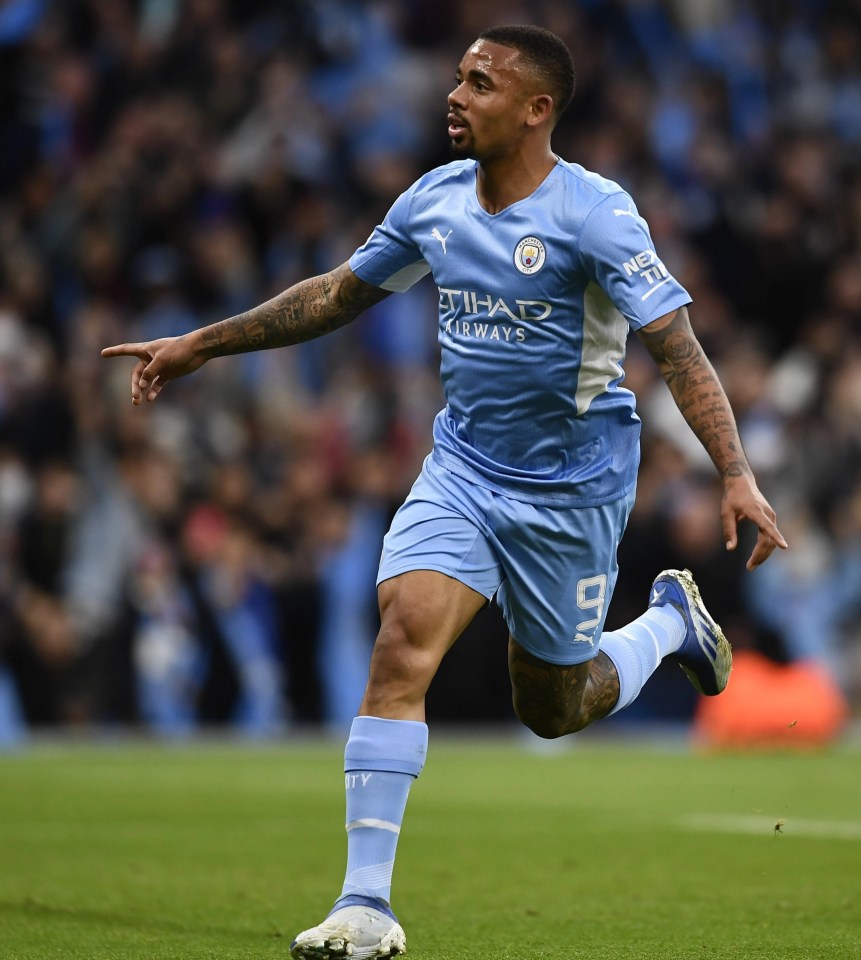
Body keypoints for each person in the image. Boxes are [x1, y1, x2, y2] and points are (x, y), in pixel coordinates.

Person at [103, 25, 787, 960]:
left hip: (570, 492)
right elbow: (336, 296)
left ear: (537, 109)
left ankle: (669, 622)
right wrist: (199, 344)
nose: (454, 95)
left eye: (481, 82)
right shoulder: (431, 200)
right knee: (400, 641)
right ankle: (364, 905)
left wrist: (737, 475)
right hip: (462, 470)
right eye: (458, 77)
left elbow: (674, 347)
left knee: (551, 709)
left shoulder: (596, 215)